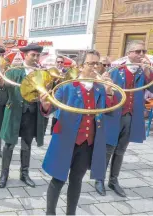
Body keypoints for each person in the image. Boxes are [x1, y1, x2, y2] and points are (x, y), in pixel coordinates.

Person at [40, 50, 115, 215]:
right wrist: (45, 105)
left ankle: (70, 213)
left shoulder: (100, 89)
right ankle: (50, 213)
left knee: (76, 180)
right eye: (91, 63)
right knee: (58, 179)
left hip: (87, 143)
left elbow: (108, 111)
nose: (96, 67)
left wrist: (109, 90)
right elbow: (50, 107)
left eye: (98, 64)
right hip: (65, 140)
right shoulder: (67, 86)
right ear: (81, 66)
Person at [94, 40, 153, 197]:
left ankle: (113, 180)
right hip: (114, 115)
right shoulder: (116, 70)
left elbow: (151, 88)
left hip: (131, 116)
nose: (142, 54)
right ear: (129, 53)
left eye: (143, 51)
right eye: (138, 51)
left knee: (121, 150)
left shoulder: (144, 71)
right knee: (108, 149)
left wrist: (148, 73)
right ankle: (99, 179)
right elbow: (103, 89)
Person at [0, 44, 47, 188]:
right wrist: (1, 83)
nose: (36, 58)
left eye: (38, 55)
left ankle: (24, 174)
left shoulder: (41, 73)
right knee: (9, 144)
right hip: (14, 112)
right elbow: (4, 89)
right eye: (33, 55)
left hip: (31, 114)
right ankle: (4, 174)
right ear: (25, 55)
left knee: (27, 144)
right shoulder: (14, 71)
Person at [50, 56, 68, 134]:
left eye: (61, 62)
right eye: (58, 62)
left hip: (64, 95)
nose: (60, 63)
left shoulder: (66, 72)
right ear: (55, 62)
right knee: (55, 113)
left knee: (61, 112)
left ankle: (61, 129)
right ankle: (53, 130)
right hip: (55, 94)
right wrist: (55, 80)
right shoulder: (51, 71)